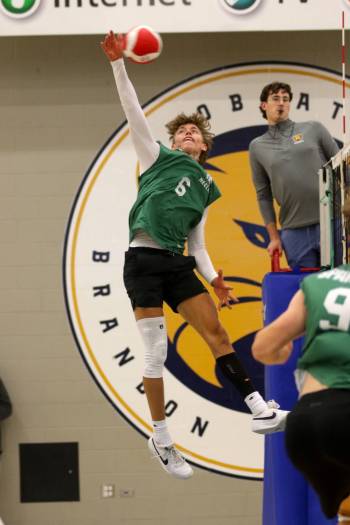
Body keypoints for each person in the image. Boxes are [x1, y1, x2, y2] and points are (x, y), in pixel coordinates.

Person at [100, 31, 288, 480]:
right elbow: (132, 110)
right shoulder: (155, 157)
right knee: (155, 352)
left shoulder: (206, 186)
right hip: (142, 260)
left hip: (177, 263)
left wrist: (214, 278)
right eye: (182, 130)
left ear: (204, 146)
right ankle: (162, 436)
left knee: (217, 333)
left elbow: (197, 243)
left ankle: (259, 409)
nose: (187, 132)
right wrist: (117, 64)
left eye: (194, 132)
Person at [252, 197, 350, 523]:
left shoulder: (317, 284)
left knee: (343, 507)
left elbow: (263, 347)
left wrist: (281, 353)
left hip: (306, 428)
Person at [249, 81, 339, 269]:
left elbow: (342, 168)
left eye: (285, 99)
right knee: (306, 291)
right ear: (264, 105)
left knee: (338, 285)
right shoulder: (257, 146)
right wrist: (274, 237)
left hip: (332, 222)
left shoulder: (314, 128)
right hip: (293, 231)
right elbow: (263, 195)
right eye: (275, 98)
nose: (281, 103)